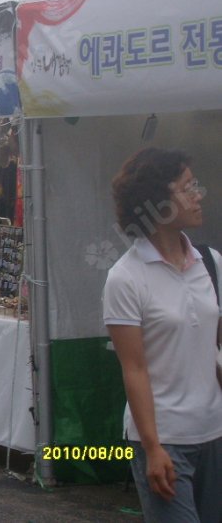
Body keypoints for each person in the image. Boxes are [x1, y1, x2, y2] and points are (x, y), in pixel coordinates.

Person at [103, 148, 222, 523]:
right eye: (188, 188)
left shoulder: (212, 263)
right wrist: (152, 448)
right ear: (157, 202)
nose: (198, 195)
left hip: (215, 432)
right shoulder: (126, 277)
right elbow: (134, 370)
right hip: (165, 439)